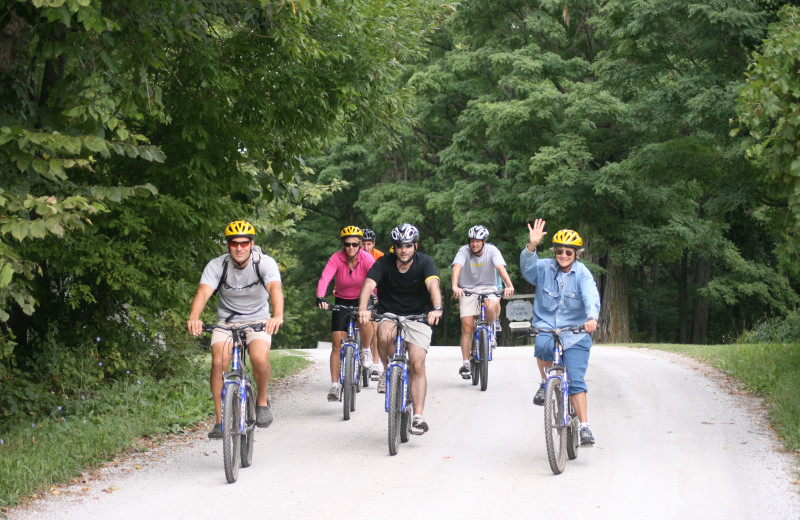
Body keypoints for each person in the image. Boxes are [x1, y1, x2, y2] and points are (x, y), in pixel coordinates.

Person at [187, 221, 284, 439]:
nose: (239, 248)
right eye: (233, 243)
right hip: (227, 322)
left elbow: (275, 289)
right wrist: (194, 317)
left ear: (251, 244)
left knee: (259, 358)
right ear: (228, 245)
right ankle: (221, 422)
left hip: (258, 319)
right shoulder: (217, 265)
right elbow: (203, 292)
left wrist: (277, 316)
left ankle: (261, 401)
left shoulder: (264, 263)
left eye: (243, 243)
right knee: (218, 362)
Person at [520, 218, 600, 446]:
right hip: (547, 325)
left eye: (568, 252)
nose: (563, 255)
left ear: (576, 253)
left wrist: (592, 317)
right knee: (542, 345)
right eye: (559, 251)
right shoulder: (544, 267)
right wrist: (531, 246)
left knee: (575, 381)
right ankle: (546, 383)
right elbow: (527, 270)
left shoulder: (583, 274)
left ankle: (584, 427)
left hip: (575, 333)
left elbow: (590, 295)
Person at [357, 223, 443, 435]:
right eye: (399, 246)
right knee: (384, 336)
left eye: (407, 246)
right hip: (390, 314)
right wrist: (363, 310)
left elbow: (433, 286)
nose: (403, 250)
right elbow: (368, 284)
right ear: (393, 247)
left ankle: (418, 416)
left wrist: (437, 309)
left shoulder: (425, 262)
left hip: (419, 316)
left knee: (417, 363)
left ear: (415, 246)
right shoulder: (383, 262)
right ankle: (389, 372)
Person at [316, 226, 376, 401]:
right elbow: (325, 277)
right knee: (336, 343)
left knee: (365, 319)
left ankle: (365, 349)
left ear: (360, 245)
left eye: (355, 244)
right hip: (342, 299)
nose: (351, 248)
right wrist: (320, 296)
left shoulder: (367, 259)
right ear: (343, 244)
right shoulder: (336, 258)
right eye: (347, 244)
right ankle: (334, 386)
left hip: (363, 298)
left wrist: (379, 298)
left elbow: (376, 279)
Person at [451, 225, 514, 379]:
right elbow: (457, 267)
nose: (474, 244)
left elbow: (500, 268)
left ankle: (490, 332)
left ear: (484, 242)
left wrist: (509, 285)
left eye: (478, 241)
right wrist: (455, 285)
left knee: (491, 305)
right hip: (468, 289)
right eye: (472, 241)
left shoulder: (492, 250)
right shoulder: (463, 251)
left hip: (488, 288)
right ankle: (466, 363)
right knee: (467, 327)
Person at [360, 228, 383, 380]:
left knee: (375, 328)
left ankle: (375, 365)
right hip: (356, 293)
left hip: (375, 293)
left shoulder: (379, 256)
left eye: (369, 244)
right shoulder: (354, 253)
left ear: (373, 244)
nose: (365, 247)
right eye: (363, 244)